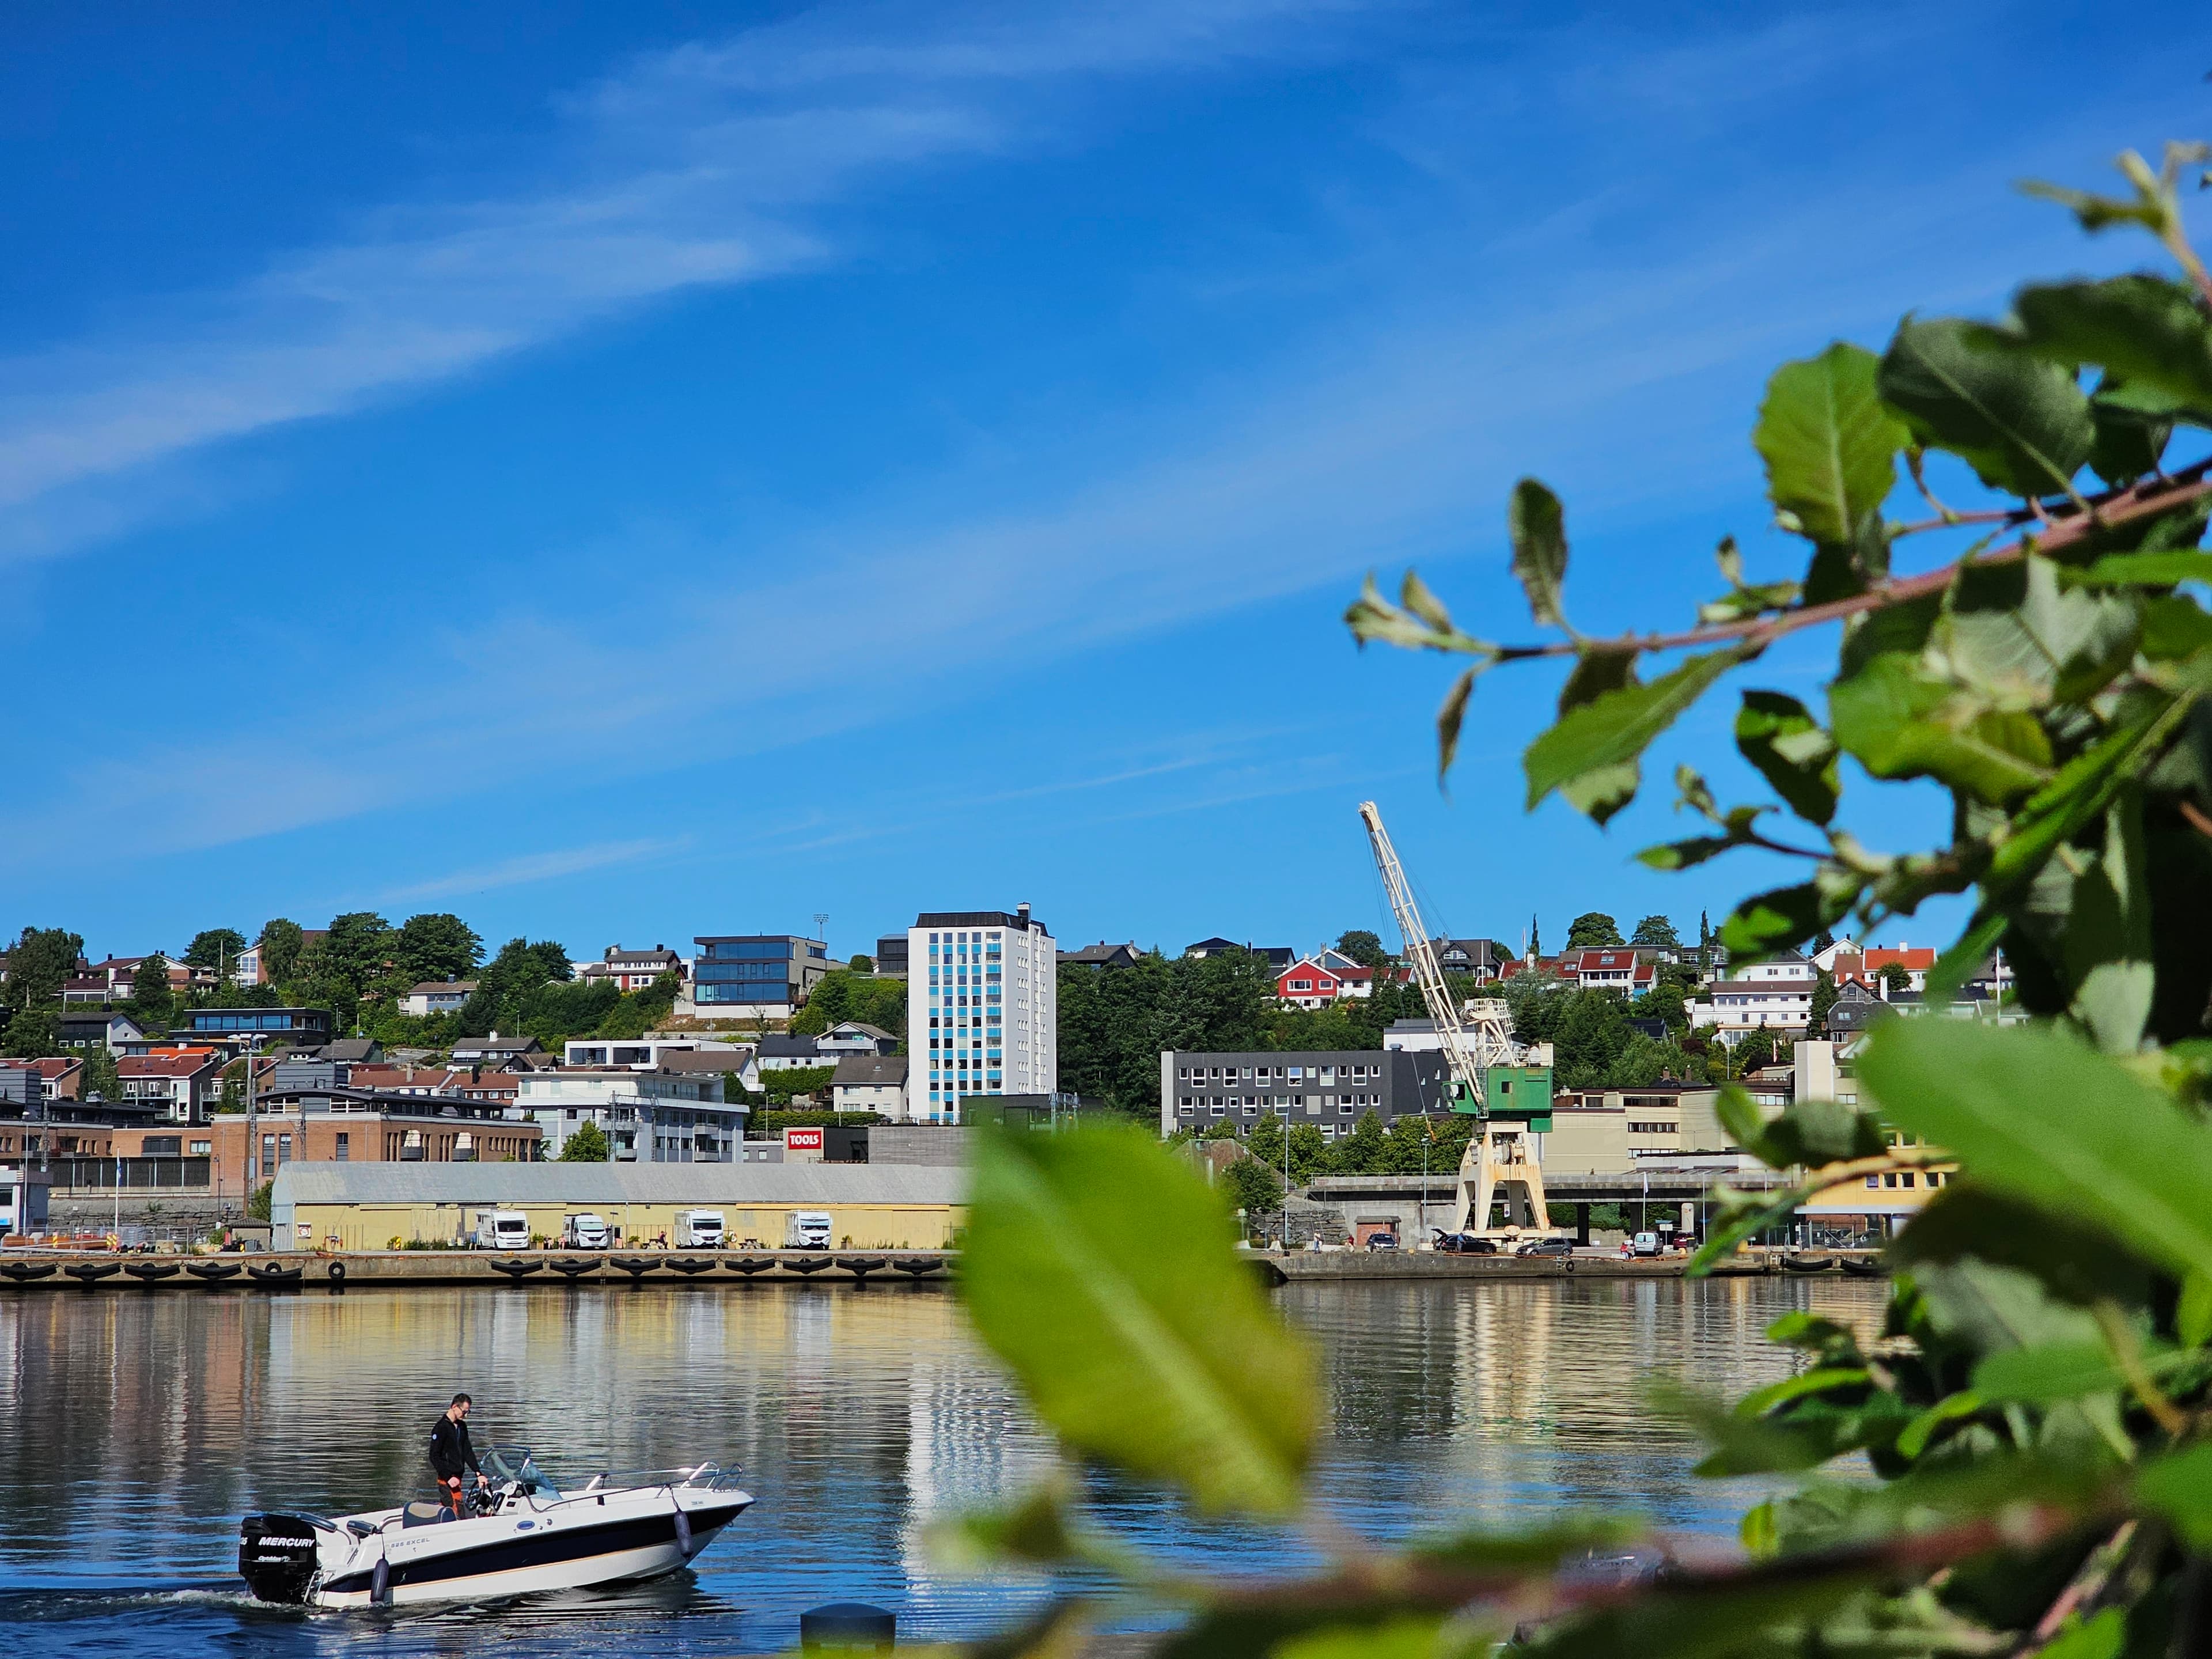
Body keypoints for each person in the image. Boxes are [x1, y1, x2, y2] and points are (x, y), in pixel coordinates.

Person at [429, 1392, 488, 1518]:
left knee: (457, 1509)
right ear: (455, 1407)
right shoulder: (441, 1428)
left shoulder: (462, 1427)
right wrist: (449, 1477)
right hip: (447, 1480)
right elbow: (434, 1456)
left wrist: (478, 1473)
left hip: (458, 1478)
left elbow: (467, 1451)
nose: (466, 1416)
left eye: (468, 1412)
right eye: (464, 1412)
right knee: (457, 1514)